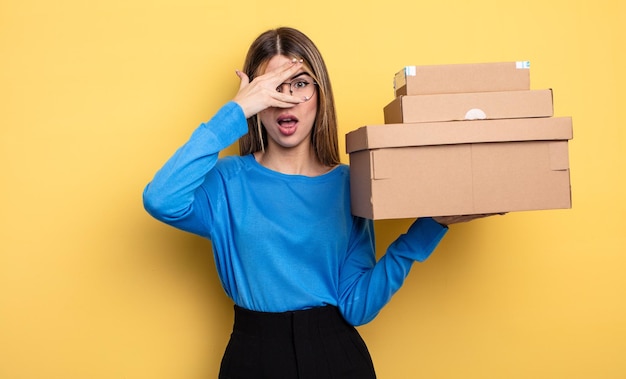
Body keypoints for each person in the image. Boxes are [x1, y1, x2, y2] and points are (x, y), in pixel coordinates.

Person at [143, 26, 490, 379]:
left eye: (300, 83)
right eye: (272, 87)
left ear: (321, 94)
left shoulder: (349, 185)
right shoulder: (227, 182)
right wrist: (236, 110)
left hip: (336, 358)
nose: (287, 99)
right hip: (253, 358)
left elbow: (357, 307)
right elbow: (160, 198)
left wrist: (432, 225)